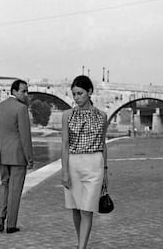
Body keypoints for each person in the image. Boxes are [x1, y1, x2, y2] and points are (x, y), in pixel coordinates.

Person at [61, 75, 108, 249]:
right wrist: (64, 172)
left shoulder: (102, 116)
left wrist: (105, 171)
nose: (76, 98)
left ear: (89, 92)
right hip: (73, 164)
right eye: (74, 94)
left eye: (80, 93)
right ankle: (81, 241)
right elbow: (64, 145)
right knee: (75, 208)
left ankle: (82, 247)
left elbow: (103, 144)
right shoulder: (67, 115)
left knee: (87, 209)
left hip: (95, 164)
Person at [0, 79, 34, 234]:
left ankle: (0, 217)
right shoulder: (21, 109)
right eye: (23, 91)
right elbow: (25, 136)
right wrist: (29, 157)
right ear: (14, 91)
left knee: (4, 185)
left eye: (26, 91)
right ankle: (11, 224)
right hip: (17, 155)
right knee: (15, 190)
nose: (26, 94)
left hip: (2, 154)